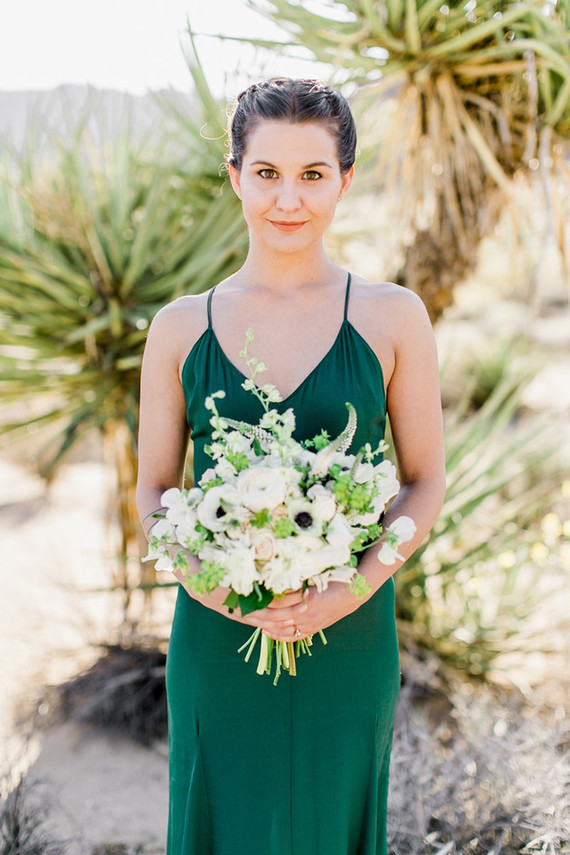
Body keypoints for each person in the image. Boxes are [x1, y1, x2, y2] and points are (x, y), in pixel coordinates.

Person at [136, 78, 446, 855]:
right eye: (267, 172)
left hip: (352, 632)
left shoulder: (392, 315)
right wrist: (220, 590)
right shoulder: (179, 329)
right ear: (235, 175)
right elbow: (152, 489)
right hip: (216, 631)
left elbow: (426, 480)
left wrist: (353, 588)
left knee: (333, 824)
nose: (288, 199)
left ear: (345, 178)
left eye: (312, 174)